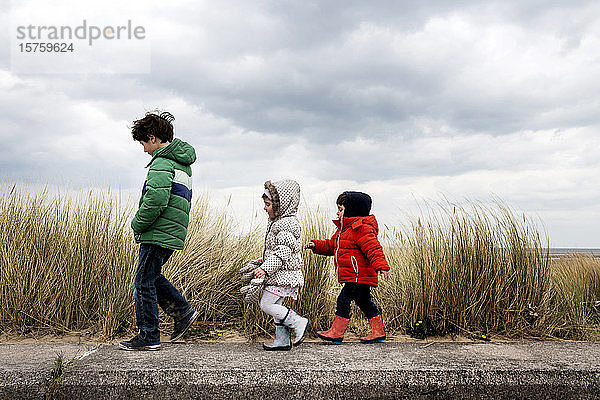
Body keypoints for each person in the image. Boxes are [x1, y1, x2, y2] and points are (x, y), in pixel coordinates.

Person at [119, 111, 199, 351]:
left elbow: (156, 199)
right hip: (171, 231)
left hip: (157, 231)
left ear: (152, 138)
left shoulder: (162, 163)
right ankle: (183, 312)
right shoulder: (181, 164)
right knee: (151, 276)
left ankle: (149, 335)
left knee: (143, 281)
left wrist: (137, 224)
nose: (144, 149)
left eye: (143, 142)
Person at [305, 191, 390, 344]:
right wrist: (316, 245)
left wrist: (381, 266)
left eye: (341, 209)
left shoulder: (361, 228)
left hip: (358, 275)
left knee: (343, 300)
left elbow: (374, 248)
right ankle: (378, 331)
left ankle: (336, 332)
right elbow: (332, 246)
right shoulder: (343, 230)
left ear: (352, 210)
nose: (337, 213)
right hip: (356, 275)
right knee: (364, 302)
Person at [249, 179, 310, 351]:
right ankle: (282, 340)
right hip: (280, 275)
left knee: (266, 305)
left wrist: (266, 268)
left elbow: (283, 252)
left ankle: (299, 322)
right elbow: (277, 250)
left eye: (268, 204)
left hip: (284, 277)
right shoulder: (278, 222)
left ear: (281, 205)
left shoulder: (287, 224)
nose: (265, 208)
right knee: (277, 306)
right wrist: (265, 261)